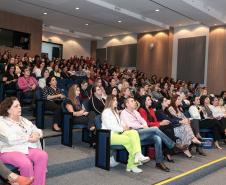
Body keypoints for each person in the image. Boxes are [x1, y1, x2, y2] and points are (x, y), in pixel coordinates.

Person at [120, 97, 185, 172]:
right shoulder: (123, 113)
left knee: (157, 138)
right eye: (132, 101)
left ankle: (159, 162)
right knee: (155, 129)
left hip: (142, 131)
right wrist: (142, 126)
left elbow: (143, 121)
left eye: (134, 101)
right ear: (127, 104)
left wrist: (145, 126)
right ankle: (173, 145)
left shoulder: (135, 112)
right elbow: (129, 125)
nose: (134, 102)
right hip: (133, 133)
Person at [0, 97, 48, 185]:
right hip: (8, 150)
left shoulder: (23, 120)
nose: (20, 107)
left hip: (25, 148)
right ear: (8, 110)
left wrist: (37, 134)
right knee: (26, 163)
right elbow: (9, 139)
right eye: (16, 106)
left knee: (42, 155)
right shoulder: (2, 121)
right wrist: (29, 138)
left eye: (20, 105)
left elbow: (38, 130)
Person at [102, 95, 150, 173]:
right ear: (110, 101)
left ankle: (137, 155)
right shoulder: (106, 112)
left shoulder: (115, 112)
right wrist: (123, 128)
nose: (116, 102)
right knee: (130, 140)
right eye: (114, 100)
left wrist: (124, 126)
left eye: (116, 100)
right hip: (109, 135)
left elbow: (120, 123)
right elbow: (110, 127)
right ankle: (132, 165)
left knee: (134, 132)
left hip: (119, 133)